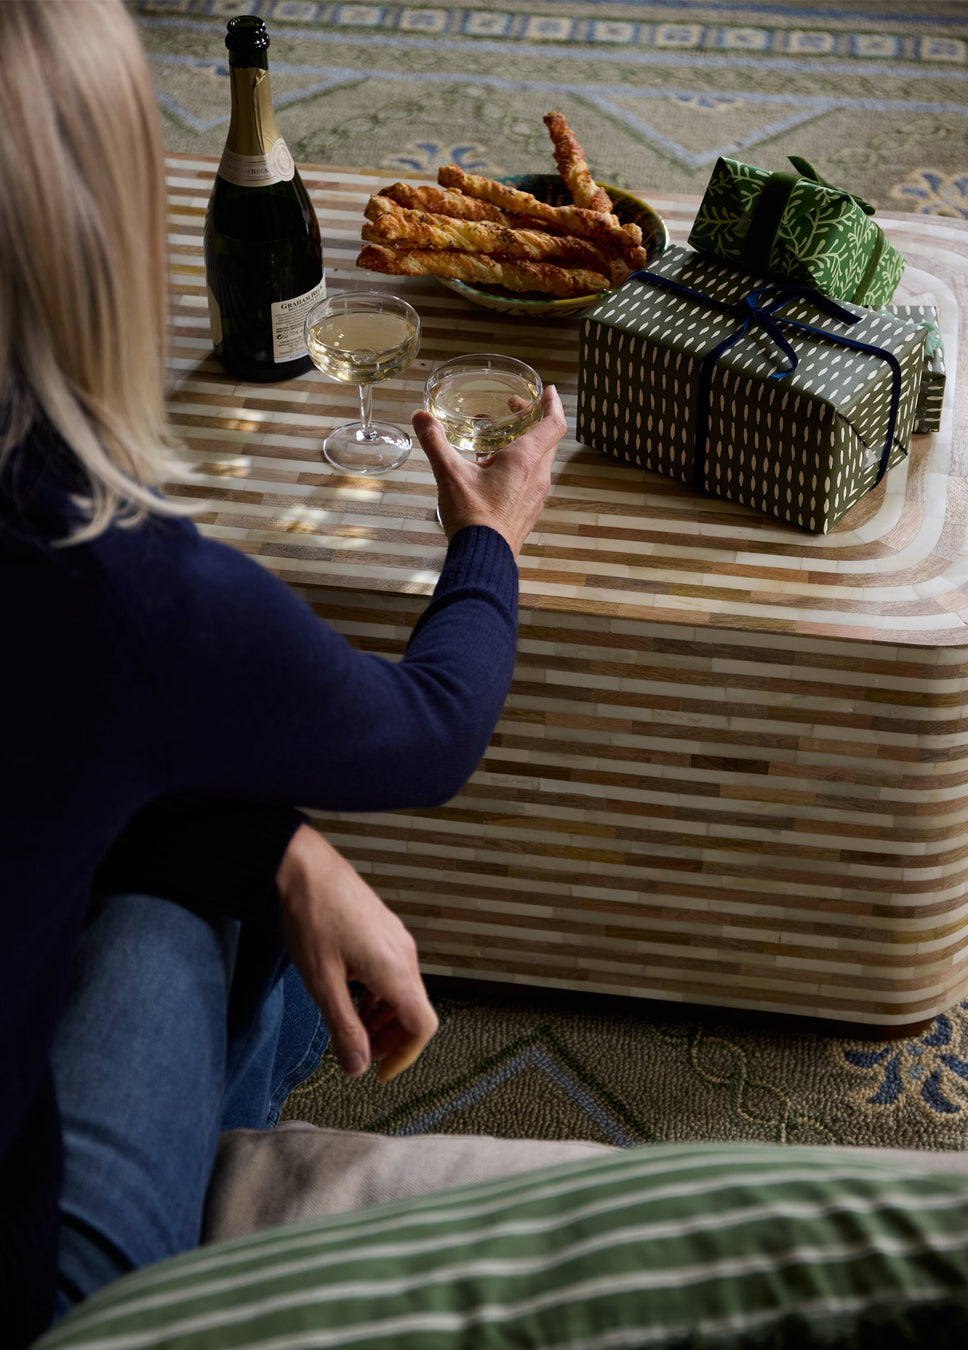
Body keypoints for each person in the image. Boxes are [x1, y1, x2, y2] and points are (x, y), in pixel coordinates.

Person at [0, 2, 567, 1345]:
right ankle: (222, 1215)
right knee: (189, 886)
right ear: (107, 233)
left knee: (201, 817)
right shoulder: (119, 580)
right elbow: (433, 729)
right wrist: (490, 536)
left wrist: (284, 845)